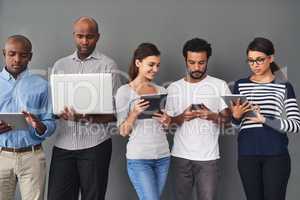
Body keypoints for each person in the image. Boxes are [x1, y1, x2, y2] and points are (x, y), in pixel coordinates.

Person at [48, 16, 121, 200]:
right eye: (80, 36)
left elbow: (117, 114)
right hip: (63, 145)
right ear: (74, 36)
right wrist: (56, 113)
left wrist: (85, 117)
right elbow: (52, 108)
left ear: (98, 37)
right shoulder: (60, 65)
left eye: (90, 36)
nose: (84, 41)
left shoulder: (108, 65)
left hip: (96, 145)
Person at [230, 37, 300, 200]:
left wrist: (265, 120)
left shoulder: (284, 85)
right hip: (246, 154)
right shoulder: (240, 84)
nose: (255, 65)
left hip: (275, 154)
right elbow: (235, 126)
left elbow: (296, 125)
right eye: (251, 61)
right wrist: (236, 116)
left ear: (271, 58)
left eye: (260, 60)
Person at [165, 38, 231, 200]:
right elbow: (168, 124)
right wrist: (182, 117)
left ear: (207, 60)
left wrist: (212, 115)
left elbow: (228, 122)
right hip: (180, 157)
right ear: (185, 60)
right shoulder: (174, 88)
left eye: (201, 63)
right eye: (192, 62)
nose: (196, 67)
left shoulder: (220, 85)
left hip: (208, 158)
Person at [0, 35, 56, 200]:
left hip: (32, 157)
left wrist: (39, 125)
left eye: (23, 55)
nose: (17, 59)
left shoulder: (42, 85)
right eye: (12, 54)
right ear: (4, 53)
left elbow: (50, 123)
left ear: (30, 56)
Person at [115, 43, 171, 200]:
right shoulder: (124, 92)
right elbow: (123, 131)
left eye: (158, 65)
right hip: (139, 158)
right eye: (151, 65)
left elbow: (167, 127)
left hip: (163, 157)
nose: (155, 69)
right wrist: (134, 113)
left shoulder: (162, 91)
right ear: (138, 63)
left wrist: (167, 120)